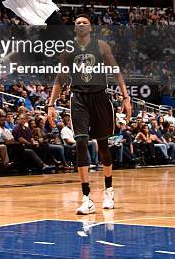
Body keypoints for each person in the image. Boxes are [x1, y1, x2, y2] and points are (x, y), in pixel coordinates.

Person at [48, 15, 131, 214]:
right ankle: (86, 198)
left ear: (91, 28)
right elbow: (60, 78)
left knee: (103, 145)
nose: (81, 24)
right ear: (74, 28)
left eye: (85, 22)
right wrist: (50, 104)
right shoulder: (68, 50)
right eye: (78, 23)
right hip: (78, 98)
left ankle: (108, 190)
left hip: (100, 97)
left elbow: (116, 71)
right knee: (81, 142)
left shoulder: (102, 46)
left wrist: (126, 97)